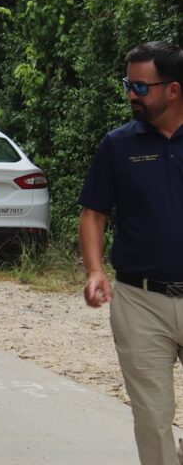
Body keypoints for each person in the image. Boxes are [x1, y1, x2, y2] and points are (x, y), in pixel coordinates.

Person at [79, 40, 183, 465]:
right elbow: (93, 214)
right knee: (153, 418)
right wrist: (94, 271)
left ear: (173, 90)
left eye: (140, 87)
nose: (130, 95)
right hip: (140, 300)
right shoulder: (117, 145)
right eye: (128, 84)